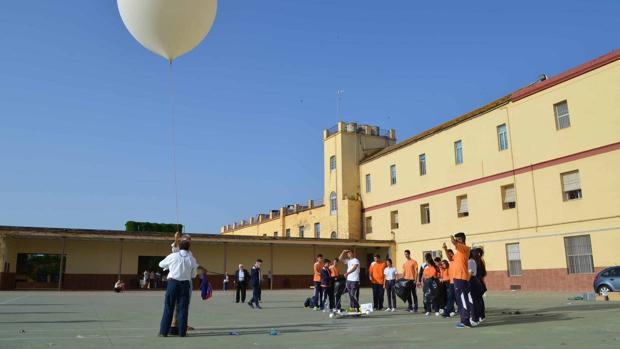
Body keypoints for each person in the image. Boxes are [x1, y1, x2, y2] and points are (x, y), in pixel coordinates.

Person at [158, 239, 198, 337]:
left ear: (179, 247)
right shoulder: (192, 259)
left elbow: (161, 264)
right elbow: (193, 275)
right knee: (183, 308)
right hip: (185, 284)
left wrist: (170, 266)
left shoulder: (172, 256)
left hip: (173, 283)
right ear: (189, 248)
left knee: (169, 307)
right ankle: (182, 332)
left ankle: (164, 332)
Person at [446, 232, 475, 328]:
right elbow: (451, 259)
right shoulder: (459, 252)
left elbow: (454, 242)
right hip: (457, 278)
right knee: (460, 300)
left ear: (461, 240)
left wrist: (451, 237)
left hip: (461, 277)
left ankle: (466, 321)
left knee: (463, 300)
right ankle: (464, 320)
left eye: (457, 239)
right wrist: (445, 249)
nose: (456, 241)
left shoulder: (464, 248)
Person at [470, 248, 487, 323]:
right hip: (480, 283)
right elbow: (484, 274)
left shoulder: (473, 262)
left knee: (474, 301)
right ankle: (481, 316)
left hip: (475, 283)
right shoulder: (480, 261)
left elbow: (471, 274)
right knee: (479, 300)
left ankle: (475, 317)